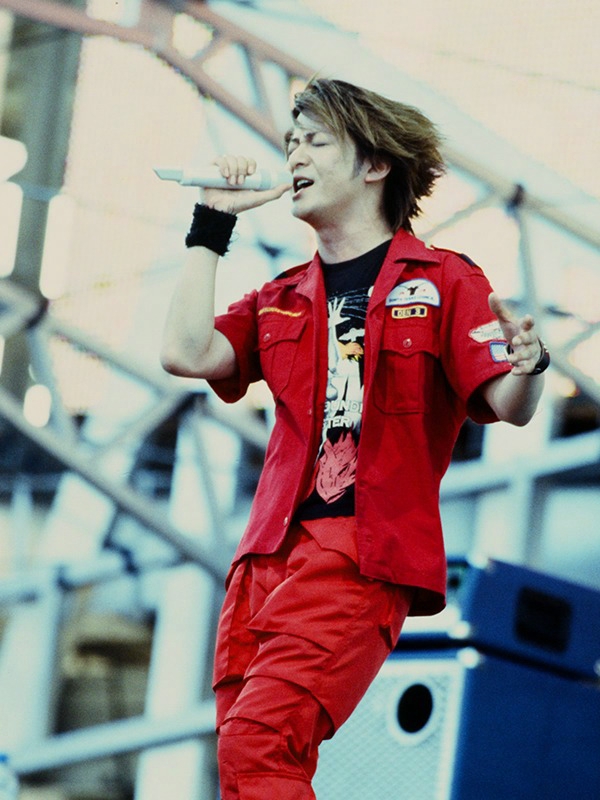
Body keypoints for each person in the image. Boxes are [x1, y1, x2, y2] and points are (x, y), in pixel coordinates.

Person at [160, 78, 548, 799]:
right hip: (265, 557)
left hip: (360, 554)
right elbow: (185, 352)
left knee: (259, 744)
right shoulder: (281, 295)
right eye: (290, 142)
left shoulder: (443, 279)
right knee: (244, 766)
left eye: (315, 141)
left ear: (375, 164)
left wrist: (531, 367)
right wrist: (211, 223)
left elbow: (506, 401)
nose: (294, 155)